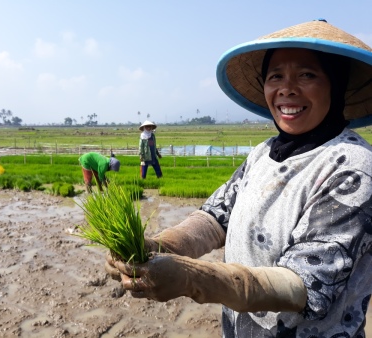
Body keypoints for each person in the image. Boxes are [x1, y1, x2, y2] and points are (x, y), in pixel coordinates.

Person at [105, 19, 372, 337]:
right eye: (276, 76)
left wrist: (193, 279)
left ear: (336, 85)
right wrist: (159, 247)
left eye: (307, 74)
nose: (286, 88)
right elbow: (214, 218)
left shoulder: (353, 168)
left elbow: (300, 285)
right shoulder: (263, 153)